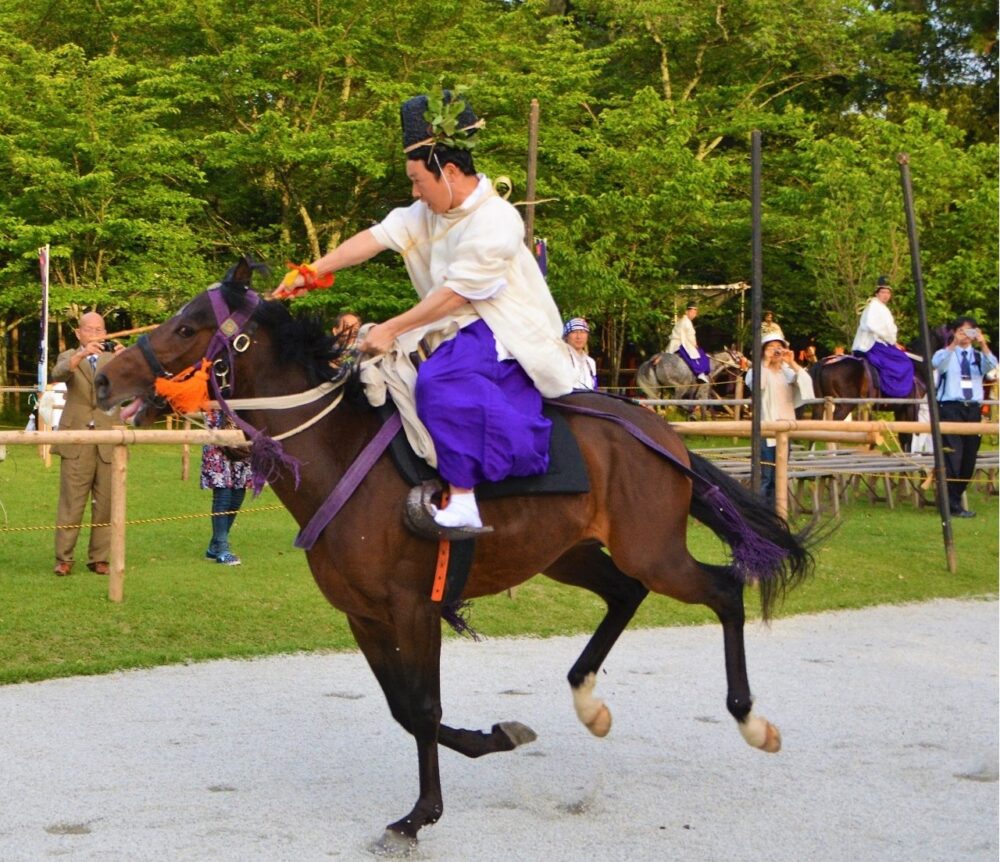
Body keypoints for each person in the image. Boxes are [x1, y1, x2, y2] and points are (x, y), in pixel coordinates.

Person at [273, 89, 577, 534]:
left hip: (503, 329)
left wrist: (391, 328)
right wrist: (310, 272)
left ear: (449, 172)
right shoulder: (428, 212)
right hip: (453, 327)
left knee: (438, 382)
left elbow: (456, 295)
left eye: (418, 181)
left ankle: (464, 499)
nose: (414, 191)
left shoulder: (496, 220)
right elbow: (374, 238)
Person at [50, 312, 124, 576]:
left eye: (99, 330)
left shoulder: (114, 358)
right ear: (78, 333)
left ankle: (99, 558)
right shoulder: (69, 356)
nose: (95, 334)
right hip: (77, 439)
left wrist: (126, 359)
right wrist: (82, 355)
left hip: (107, 438)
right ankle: (64, 558)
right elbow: (58, 373)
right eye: (89, 329)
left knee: (105, 503)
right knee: (72, 501)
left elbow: (134, 384)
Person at [932, 317, 996, 518]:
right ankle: (952, 505)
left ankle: (952, 499)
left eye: (970, 331)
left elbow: (992, 368)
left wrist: (983, 344)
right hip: (951, 408)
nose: (966, 335)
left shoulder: (978, 356)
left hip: (972, 410)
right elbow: (937, 364)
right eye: (962, 330)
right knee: (953, 456)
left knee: (969, 459)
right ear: (954, 332)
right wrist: (953, 344)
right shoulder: (946, 353)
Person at [745, 332, 815, 506]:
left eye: (779, 347)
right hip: (765, 431)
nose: (775, 351)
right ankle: (761, 513)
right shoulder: (755, 372)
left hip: (785, 430)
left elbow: (806, 384)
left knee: (780, 475)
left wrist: (791, 362)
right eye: (770, 347)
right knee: (766, 476)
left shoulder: (787, 372)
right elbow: (758, 386)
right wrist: (766, 362)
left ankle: (777, 512)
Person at [201, 410, 253, 564]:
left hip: (242, 442)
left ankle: (214, 547)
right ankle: (222, 549)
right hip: (217, 437)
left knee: (238, 494)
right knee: (223, 495)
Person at [851, 275, 914, 398]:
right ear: (877, 293)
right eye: (883, 292)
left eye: (888, 293)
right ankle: (893, 390)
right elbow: (875, 327)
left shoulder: (881, 307)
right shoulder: (874, 306)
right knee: (904, 361)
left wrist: (893, 342)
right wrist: (892, 342)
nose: (886, 295)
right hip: (871, 344)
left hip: (882, 341)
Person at [666, 302, 710, 383]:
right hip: (681, 343)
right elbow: (690, 336)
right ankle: (700, 373)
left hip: (677, 343)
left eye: (695, 313)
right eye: (692, 312)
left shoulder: (683, 321)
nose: (694, 315)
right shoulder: (686, 322)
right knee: (698, 355)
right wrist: (694, 344)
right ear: (687, 312)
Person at [563, 318, 597, 390]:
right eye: (574, 332)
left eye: (582, 332)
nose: (579, 336)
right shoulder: (560, 358)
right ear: (566, 336)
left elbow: (594, 388)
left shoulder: (590, 362)